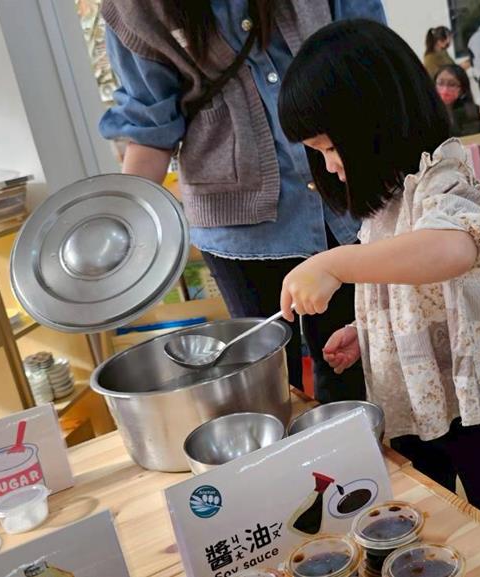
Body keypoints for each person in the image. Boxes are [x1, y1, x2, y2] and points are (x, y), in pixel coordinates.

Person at [277, 19, 480, 554]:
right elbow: (409, 286)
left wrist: (336, 263)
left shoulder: (444, 176)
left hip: (475, 406)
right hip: (412, 399)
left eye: (331, 148)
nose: (330, 166)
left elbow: (450, 250)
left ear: (375, 120)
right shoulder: (385, 202)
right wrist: (366, 327)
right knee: (428, 523)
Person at [98, 0, 386, 403]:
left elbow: (373, 54)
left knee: (358, 364)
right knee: (265, 387)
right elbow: (150, 123)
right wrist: (121, 237)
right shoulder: (135, 8)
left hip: (348, 190)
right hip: (238, 226)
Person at [434, 65, 480, 136]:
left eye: (452, 84)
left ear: (462, 90)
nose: (445, 89)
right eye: (440, 83)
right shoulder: (427, 111)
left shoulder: (470, 111)